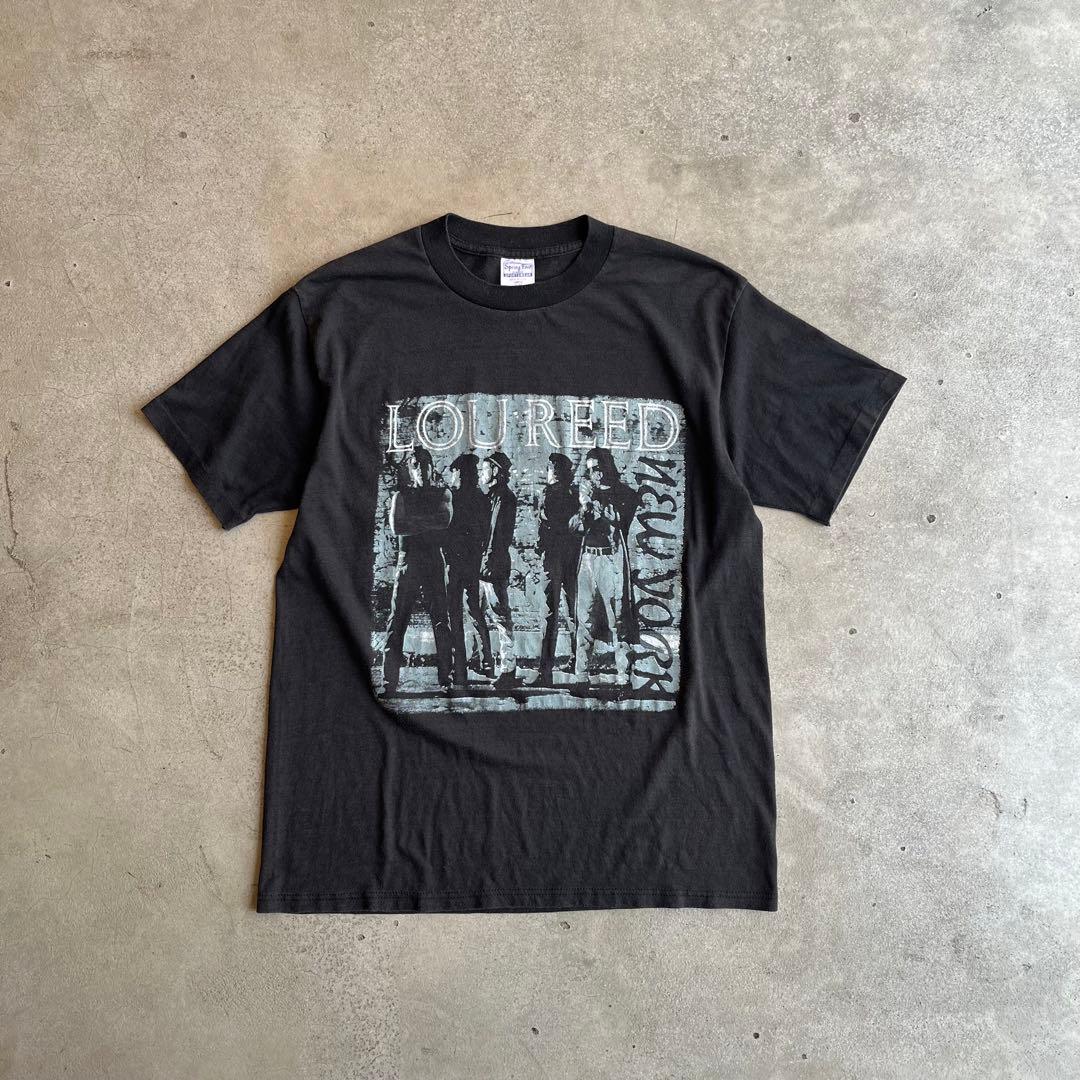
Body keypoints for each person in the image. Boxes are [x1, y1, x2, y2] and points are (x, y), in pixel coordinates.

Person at [381, 447, 453, 694]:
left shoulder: (443, 493)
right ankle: (389, 681)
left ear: (431, 467)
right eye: (415, 465)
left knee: (441, 620)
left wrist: (412, 522)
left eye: (424, 464)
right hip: (408, 560)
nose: (420, 469)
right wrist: (429, 523)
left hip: (433, 560)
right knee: (397, 619)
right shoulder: (400, 496)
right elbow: (397, 527)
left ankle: (446, 679)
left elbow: (444, 521)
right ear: (410, 470)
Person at [570, 447, 640, 687]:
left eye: (598, 468)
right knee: (584, 617)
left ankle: (623, 676)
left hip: (612, 560)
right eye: (590, 470)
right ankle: (581, 676)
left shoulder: (624, 493)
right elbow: (573, 528)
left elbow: (619, 519)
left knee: (617, 617)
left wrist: (595, 502)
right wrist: (583, 507)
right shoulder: (584, 494)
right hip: (588, 558)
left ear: (608, 467)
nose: (595, 474)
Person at [445, 453, 493, 686]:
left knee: (455, 614)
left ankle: (460, 669)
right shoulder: (481, 497)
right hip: (471, 561)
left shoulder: (453, 497)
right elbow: (485, 531)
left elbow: (446, 529)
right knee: (474, 610)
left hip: (456, 563)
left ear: (460, 474)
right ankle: (487, 661)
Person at [536, 453, 579, 686]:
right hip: (572, 557)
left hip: (552, 558)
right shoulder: (574, 495)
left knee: (549, 614)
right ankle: (577, 662)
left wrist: (541, 550)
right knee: (574, 613)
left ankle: (545, 672)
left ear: (553, 471)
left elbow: (544, 526)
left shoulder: (548, 494)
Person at [478, 451, 518, 688]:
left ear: (495, 471)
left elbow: (495, 534)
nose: (481, 473)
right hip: (487, 563)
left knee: (501, 617)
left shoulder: (503, 498)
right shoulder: (493, 495)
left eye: (485, 469)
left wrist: (487, 562)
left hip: (493, 565)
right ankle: (486, 662)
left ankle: (508, 670)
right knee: (479, 612)